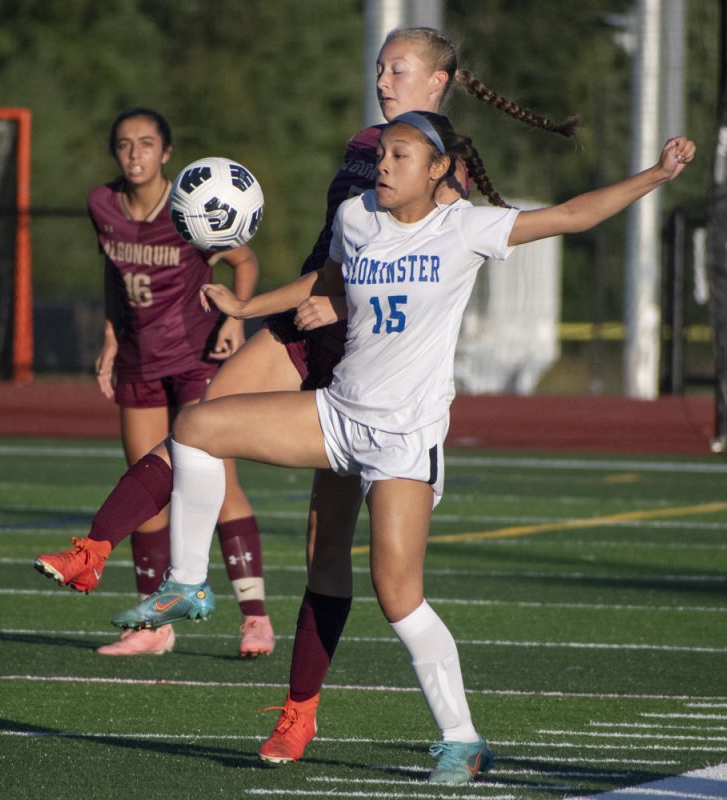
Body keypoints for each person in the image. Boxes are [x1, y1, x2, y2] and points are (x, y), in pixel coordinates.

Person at [108, 111, 696, 783]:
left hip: (403, 441)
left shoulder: (466, 228)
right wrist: (249, 308)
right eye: (383, 152)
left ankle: (461, 739)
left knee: (398, 596)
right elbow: (327, 280)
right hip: (337, 415)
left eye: (400, 155)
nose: (382, 164)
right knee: (197, 427)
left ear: (438, 169)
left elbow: (571, 215)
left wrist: (657, 173)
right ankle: (188, 581)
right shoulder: (358, 216)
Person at [32, 24, 576, 740]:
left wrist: (341, 302)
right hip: (303, 326)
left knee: (326, 549)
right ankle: (103, 552)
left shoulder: (444, 176)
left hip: (362, 365)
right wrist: (256, 305)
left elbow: (413, 285)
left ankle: (299, 711)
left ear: (438, 83)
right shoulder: (365, 146)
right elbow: (332, 258)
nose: (383, 80)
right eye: (380, 67)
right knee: (200, 419)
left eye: (399, 70)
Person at [34, 108, 274, 658]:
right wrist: (112, 338)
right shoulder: (102, 204)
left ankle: (255, 617)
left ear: (167, 153)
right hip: (140, 360)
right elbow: (113, 276)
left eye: (146, 144)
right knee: (146, 492)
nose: (135, 154)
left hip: (195, 359)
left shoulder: (191, 208)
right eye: (124, 144)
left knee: (222, 486)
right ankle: (152, 628)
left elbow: (245, 259)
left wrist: (235, 319)